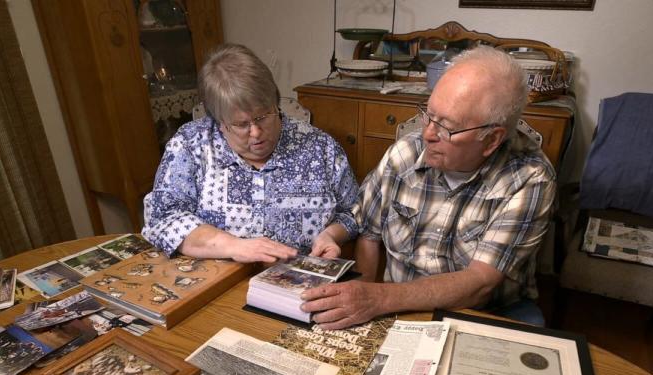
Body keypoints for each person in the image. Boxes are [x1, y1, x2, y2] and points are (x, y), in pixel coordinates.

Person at [300, 46, 556, 328]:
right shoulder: (405, 153)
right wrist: (359, 297)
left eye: (446, 126)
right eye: (428, 114)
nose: (427, 134)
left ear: (492, 139)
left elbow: (480, 284)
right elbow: (369, 235)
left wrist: (375, 299)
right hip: (395, 304)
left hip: (485, 312)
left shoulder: (530, 177)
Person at [142, 43, 359, 263]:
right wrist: (233, 246)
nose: (256, 132)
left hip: (299, 284)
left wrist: (331, 234)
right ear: (219, 122)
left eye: (263, 116)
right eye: (241, 124)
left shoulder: (320, 146)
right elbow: (163, 218)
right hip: (220, 285)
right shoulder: (191, 144)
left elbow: (354, 212)